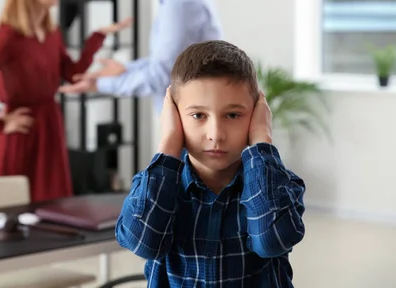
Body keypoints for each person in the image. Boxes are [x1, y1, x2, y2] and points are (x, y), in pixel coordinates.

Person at [115, 40, 306, 287]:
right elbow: (143, 243)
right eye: (198, 115)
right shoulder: (156, 185)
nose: (216, 134)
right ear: (174, 115)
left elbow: (271, 241)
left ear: (258, 113)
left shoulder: (280, 185)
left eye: (233, 115)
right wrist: (169, 142)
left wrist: (262, 139)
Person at [0, 0, 131, 202]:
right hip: (24, 131)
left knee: (53, 206)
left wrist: (98, 36)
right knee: (15, 208)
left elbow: (72, 73)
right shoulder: (9, 37)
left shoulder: (52, 33)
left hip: (49, 126)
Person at [58, 0, 222, 115]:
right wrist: (126, 69)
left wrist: (100, 84)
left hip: (189, 120)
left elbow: (162, 75)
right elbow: (166, 62)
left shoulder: (180, 3)